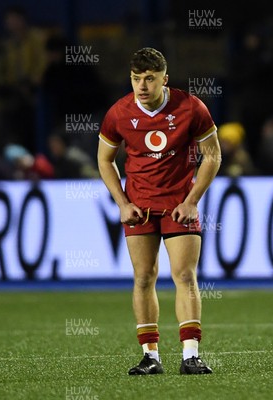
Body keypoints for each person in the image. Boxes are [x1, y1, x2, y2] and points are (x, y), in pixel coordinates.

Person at [97, 48, 221, 375]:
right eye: (137, 78)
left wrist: (192, 199)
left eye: (149, 78)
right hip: (139, 208)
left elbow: (213, 155)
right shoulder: (119, 113)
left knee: (183, 275)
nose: (142, 85)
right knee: (143, 277)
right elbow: (104, 159)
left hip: (179, 205)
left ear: (164, 79)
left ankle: (190, 355)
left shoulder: (191, 107)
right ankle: (150, 357)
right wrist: (123, 203)